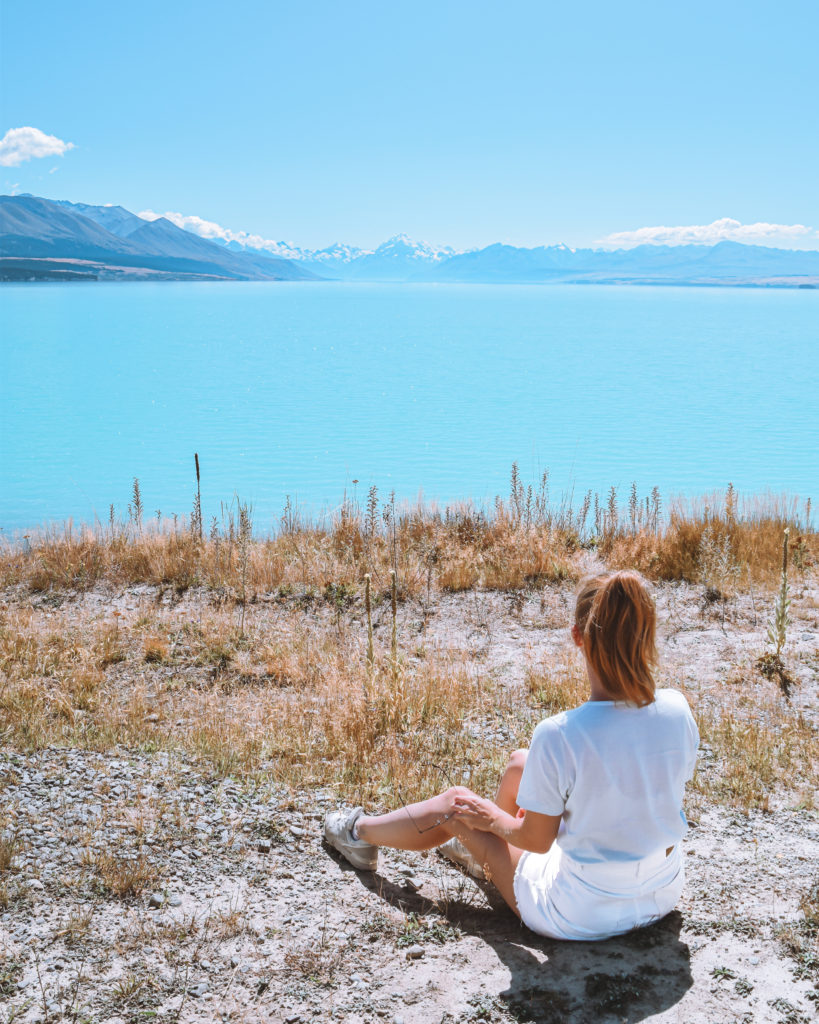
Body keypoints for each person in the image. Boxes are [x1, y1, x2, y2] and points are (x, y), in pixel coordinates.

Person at [324, 570, 699, 940]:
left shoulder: (561, 733)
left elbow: (536, 841)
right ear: (646, 636)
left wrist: (491, 819)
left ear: (577, 638)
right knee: (522, 762)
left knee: (456, 806)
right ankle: (476, 856)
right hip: (660, 893)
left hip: (579, 913)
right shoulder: (677, 710)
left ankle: (357, 833)